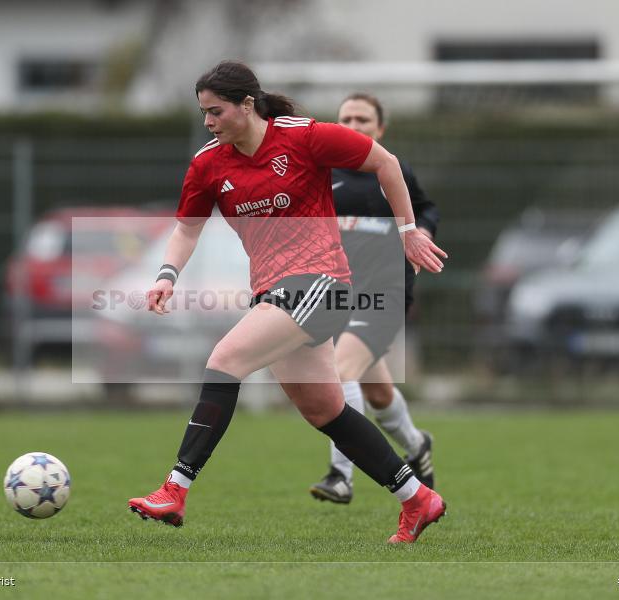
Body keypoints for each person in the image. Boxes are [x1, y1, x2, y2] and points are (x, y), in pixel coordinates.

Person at [127, 61, 448, 544]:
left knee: (224, 360)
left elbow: (385, 162)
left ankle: (175, 488)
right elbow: (186, 229)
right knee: (325, 411)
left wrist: (407, 231)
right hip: (273, 291)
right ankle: (417, 499)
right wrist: (166, 276)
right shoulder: (209, 163)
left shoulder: (303, 136)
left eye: (216, 112)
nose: (209, 123)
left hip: (322, 281)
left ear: (247, 105)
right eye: (203, 114)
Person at [310, 93, 440, 504]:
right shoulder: (321, 174)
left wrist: (422, 235)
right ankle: (417, 445)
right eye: (346, 117)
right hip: (336, 294)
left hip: (385, 293)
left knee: (340, 370)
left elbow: (425, 210)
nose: (353, 124)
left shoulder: (392, 171)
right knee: (378, 393)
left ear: (379, 129)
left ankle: (340, 475)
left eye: (363, 119)